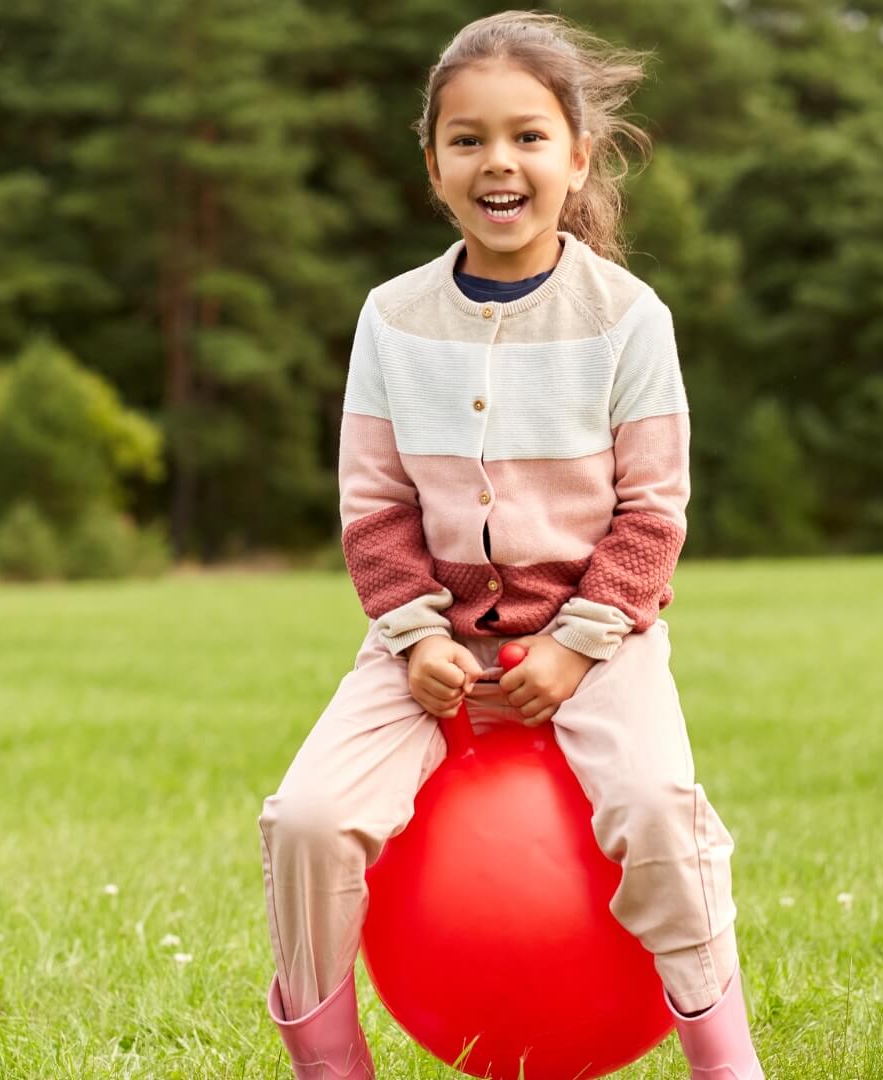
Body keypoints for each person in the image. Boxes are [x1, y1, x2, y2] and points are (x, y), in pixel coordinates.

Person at [257, 11, 762, 1079]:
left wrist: (578, 647)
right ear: (433, 163)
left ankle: (723, 1056)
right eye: (469, 138)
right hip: (426, 640)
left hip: (599, 638)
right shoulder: (392, 320)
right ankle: (328, 1060)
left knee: (660, 810)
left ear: (578, 157)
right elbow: (374, 504)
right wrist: (410, 637)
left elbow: (654, 513)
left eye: (529, 136)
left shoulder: (629, 318)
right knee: (305, 818)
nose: (500, 162)